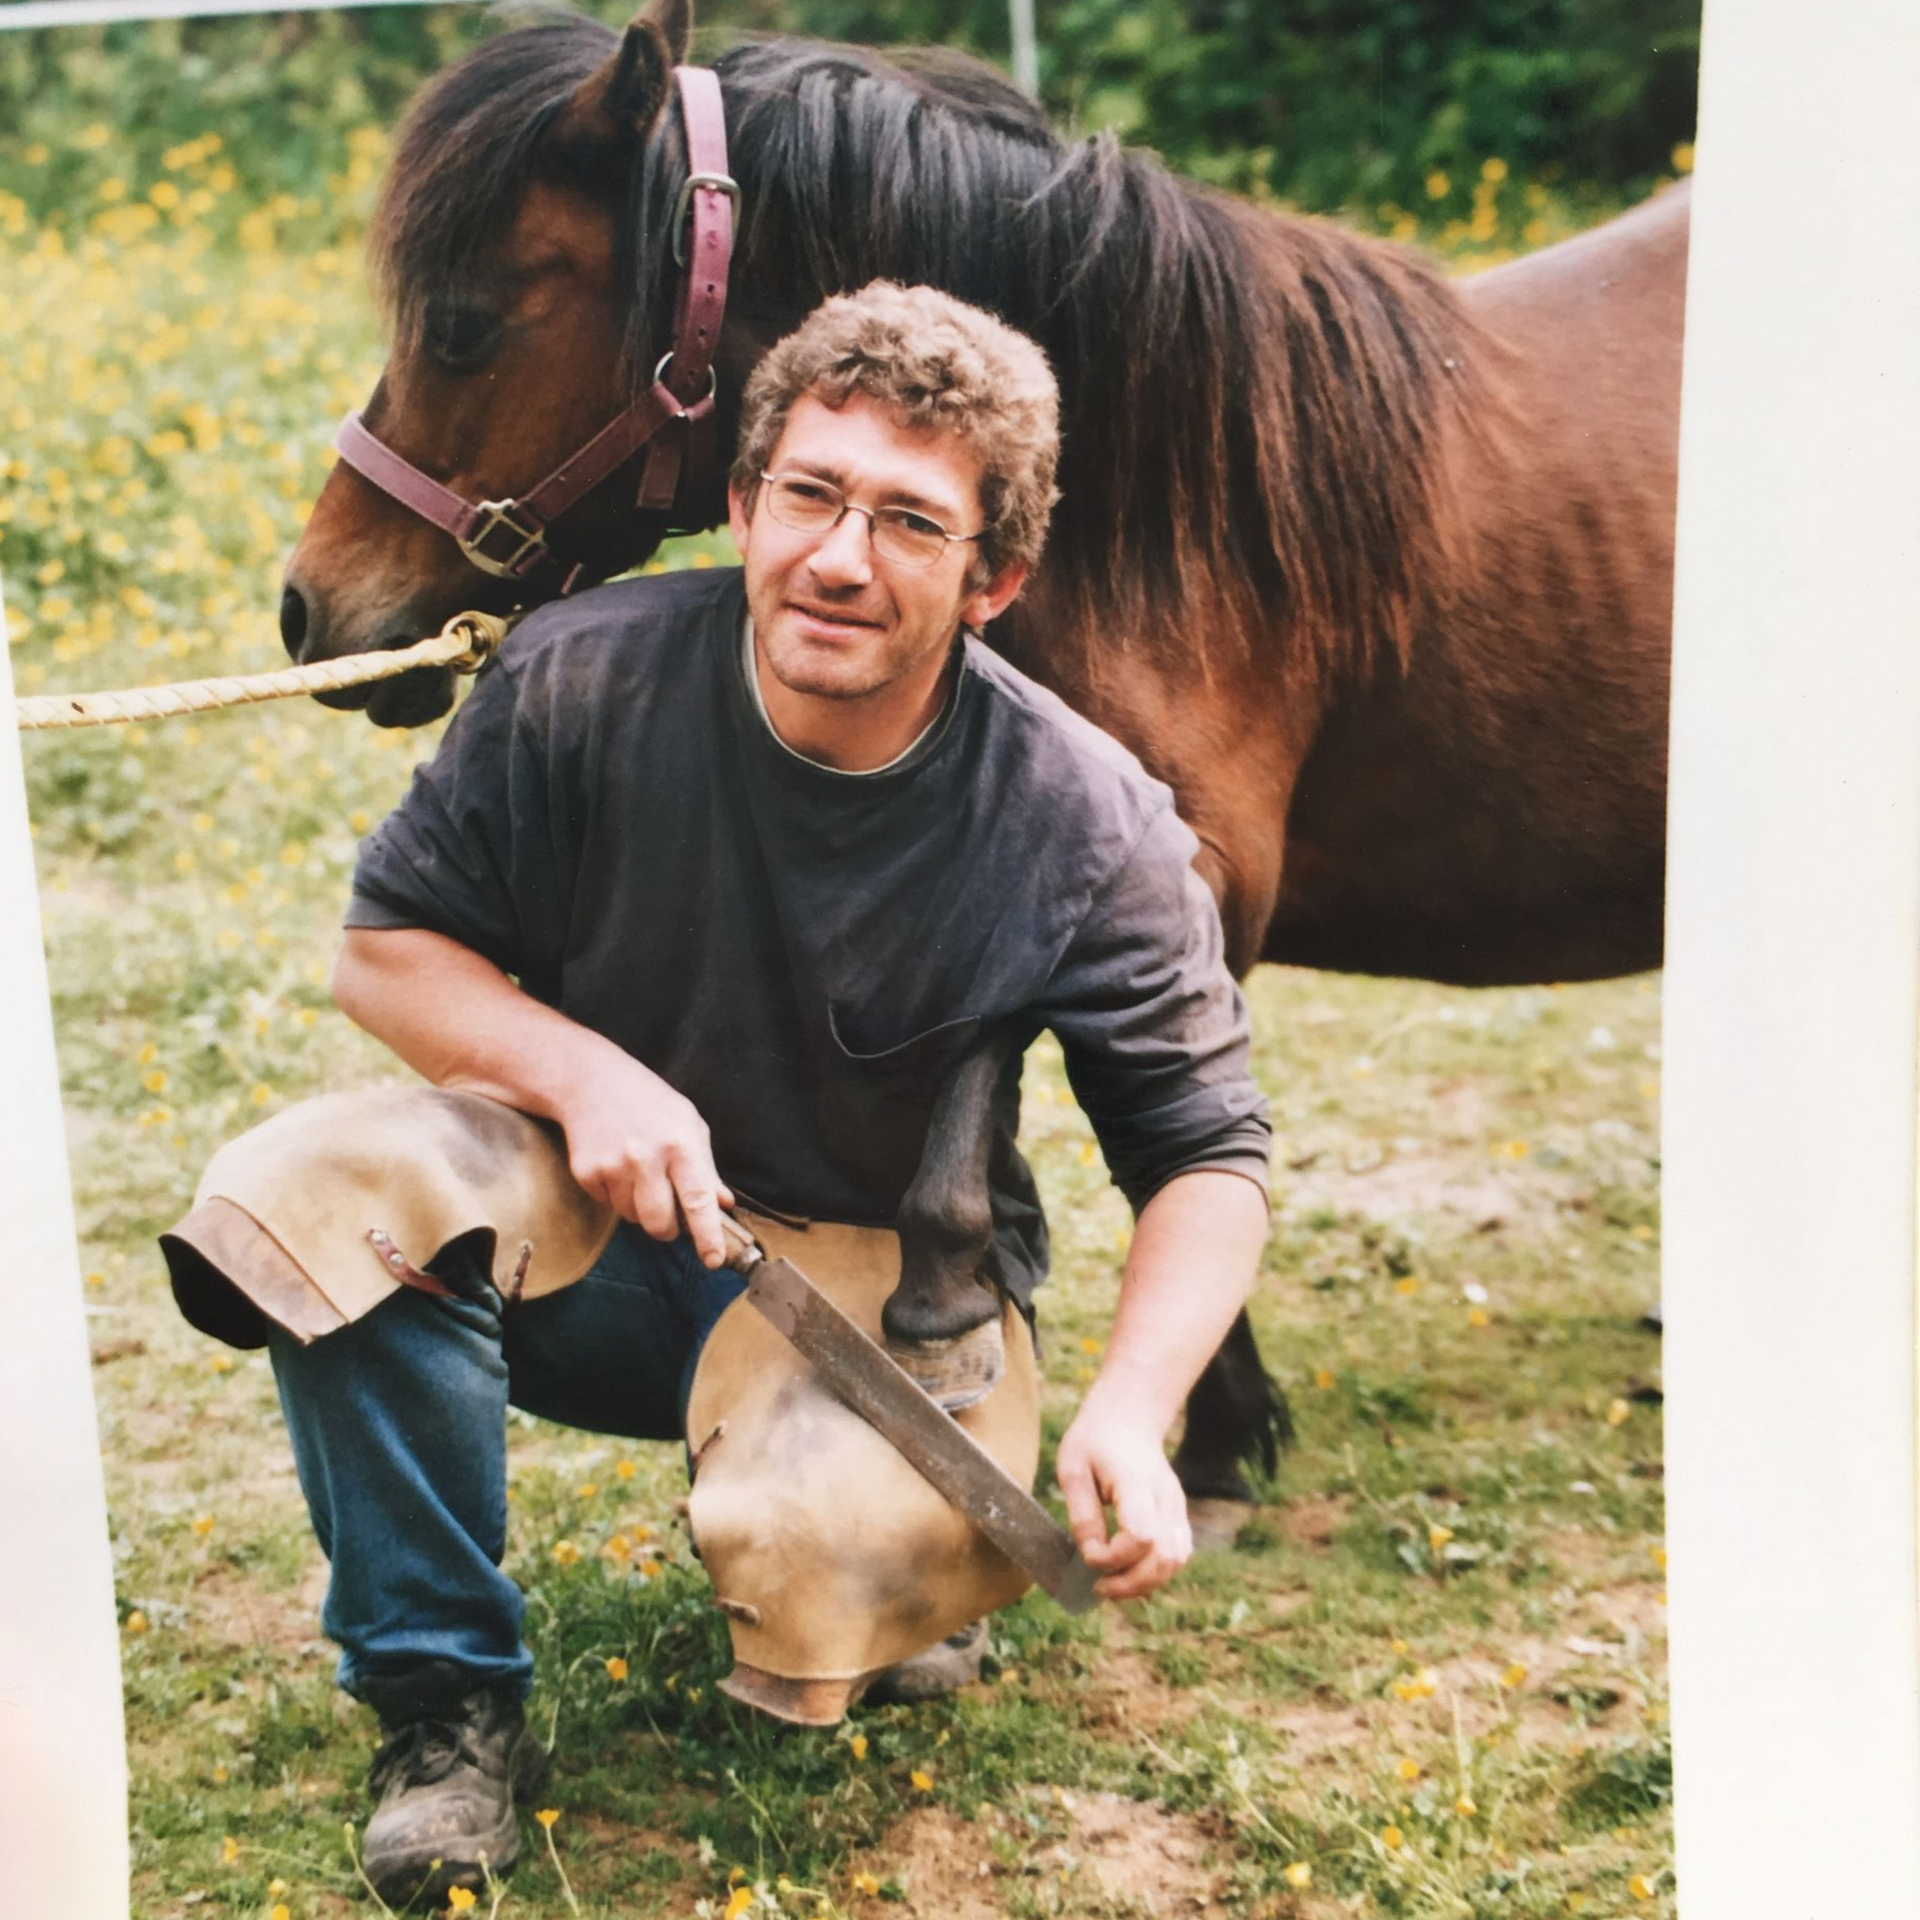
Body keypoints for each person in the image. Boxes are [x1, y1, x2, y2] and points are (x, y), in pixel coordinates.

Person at [283, 281, 1271, 1906]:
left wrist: (1135, 1408)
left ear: (994, 580)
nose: (839, 558)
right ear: (743, 505)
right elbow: (387, 956)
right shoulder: (576, 679)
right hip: (595, 1240)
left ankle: (890, 1561)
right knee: (317, 1196)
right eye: (810, 495)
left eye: (911, 522)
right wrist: (586, 1077)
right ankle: (442, 1702)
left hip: (888, 1302)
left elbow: (1207, 1154)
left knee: (837, 1573)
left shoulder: (1089, 820)